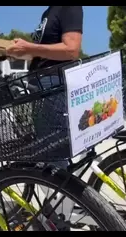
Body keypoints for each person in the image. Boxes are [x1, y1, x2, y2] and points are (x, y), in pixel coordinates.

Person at [6, 6, 83, 168]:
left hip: (53, 83)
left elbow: (71, 50)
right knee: (48, 147)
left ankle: (63, 192)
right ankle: (60, 189)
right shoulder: (48, 12)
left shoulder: (68, 8)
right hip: (41, 84)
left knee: (54, 149)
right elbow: (44, 53)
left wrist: (30, 48)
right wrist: (22, 52)